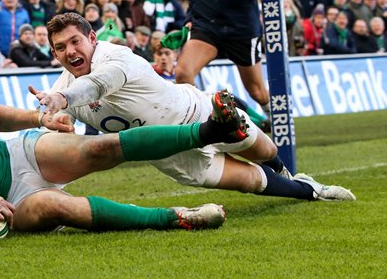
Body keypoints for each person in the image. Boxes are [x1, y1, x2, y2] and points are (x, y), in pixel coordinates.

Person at [0, 48, 251, 232]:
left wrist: (39, 118)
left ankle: (212, 130)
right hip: (5, 200)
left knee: (100, 146)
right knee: (60, 208)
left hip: (20, 154)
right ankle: (175, 218)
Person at [30, 13, 355, 203]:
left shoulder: (114, 56)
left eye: (75, 41)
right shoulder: (62, 89)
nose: (70, 51)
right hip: (173, 155)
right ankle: (312, 192)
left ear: (91, 38)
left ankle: (287, 170)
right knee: (251, 183)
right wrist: (50, 124)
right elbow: (50, 143)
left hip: (198, 113)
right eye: (60, 47)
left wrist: (65, 100)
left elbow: (99, 84)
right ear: (55, 54)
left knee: (264, 149)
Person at [175, 0, 271, 115]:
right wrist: (190, 18)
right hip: (206, 26)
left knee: (256, 91)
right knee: (183, 73)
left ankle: (276, 119)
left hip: (241, 27)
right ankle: (199, 126)